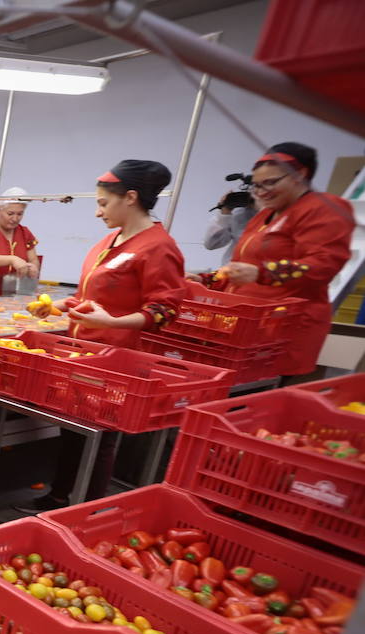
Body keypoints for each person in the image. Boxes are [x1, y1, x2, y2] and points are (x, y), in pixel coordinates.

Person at [23, 160, 185, 513]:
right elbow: (95, 298)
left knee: (101, 439)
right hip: (83, 354)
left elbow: (165, 310)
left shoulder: (157, 247)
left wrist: (112, 323)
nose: (97, 213)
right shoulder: (110, 240)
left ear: (130, 197)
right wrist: (65, 306)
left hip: (117, 360)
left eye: (103, 203)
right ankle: (59, 498)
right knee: (73, 432)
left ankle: (88, 511)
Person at [207, 142, 354, 381]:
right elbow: (240, 264)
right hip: (244, 329)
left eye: (271, 182)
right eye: (256, 186)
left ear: (301, 174)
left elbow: (323, 265)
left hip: (283, 330)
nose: (262, 192)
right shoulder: (265, 214)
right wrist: (209, 280)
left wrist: (262, 273)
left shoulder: (323, 209)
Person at [0, 187, 40, 296]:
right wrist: (11, 259)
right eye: (10, 213)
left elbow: (33, 259)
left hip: (15, 295)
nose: (15, 218)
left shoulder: (25, 233)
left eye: (20, 214)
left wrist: (33, 267)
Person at [202, 190, 255, 265]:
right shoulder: (238, 212)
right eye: (256, 186)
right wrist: (225, 211)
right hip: (232, 270)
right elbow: (211, 244)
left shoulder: (274, 214)